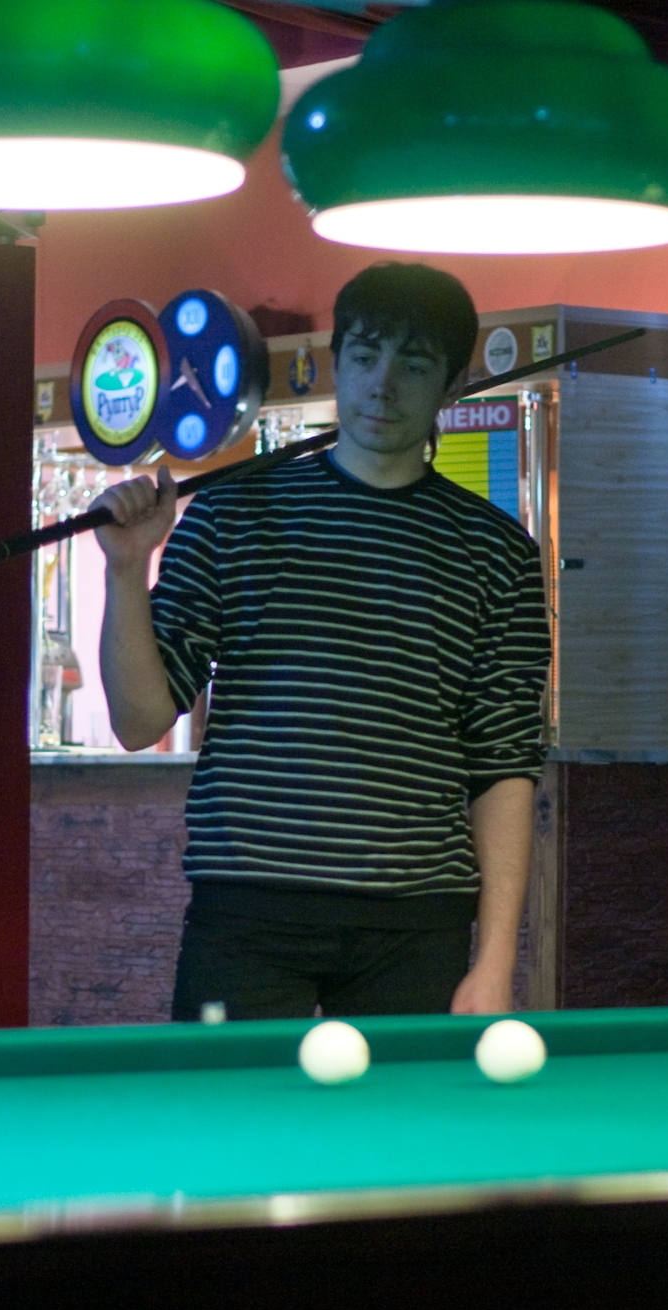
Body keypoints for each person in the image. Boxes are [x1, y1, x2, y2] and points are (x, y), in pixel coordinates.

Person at [92, 263, 550, 1020]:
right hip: (246, 909)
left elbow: (503, 764)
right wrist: (125, 569)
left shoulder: (497, 552)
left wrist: (496, 959)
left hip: (416, 921)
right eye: (365, 356)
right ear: (336, 362)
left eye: (414, 365)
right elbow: (139, 720)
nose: (383, 385)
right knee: (231, 1105)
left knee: (402, 1109)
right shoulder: (232, 514)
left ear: (455, 383)